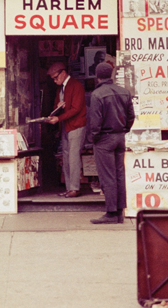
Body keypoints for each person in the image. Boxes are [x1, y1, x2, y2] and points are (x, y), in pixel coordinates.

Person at [89, 63, 135, 223]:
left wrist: (93, 139)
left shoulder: (97, 94)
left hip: (104, 139)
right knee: (119, 175)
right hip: (119, 137)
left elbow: (95, 123)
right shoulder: (124, 92)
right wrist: (124, 130)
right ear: (111, 74)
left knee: (107, 176)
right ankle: (119, 212)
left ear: (97, 76)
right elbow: (131, 116)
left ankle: (110, 212)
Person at [46, 62, 86, 198]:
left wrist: (58, 118)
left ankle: (75, 188)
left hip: (76, 125)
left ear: (63, 73)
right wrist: (57, 108)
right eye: (52, 79)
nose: (54, 80)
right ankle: (69, 188)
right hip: (65, 125)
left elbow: (76, 108)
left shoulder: (76, 86)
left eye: (56, 77)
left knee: (74, 157)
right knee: (66, 157)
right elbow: (58, 106)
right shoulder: (60, 89)